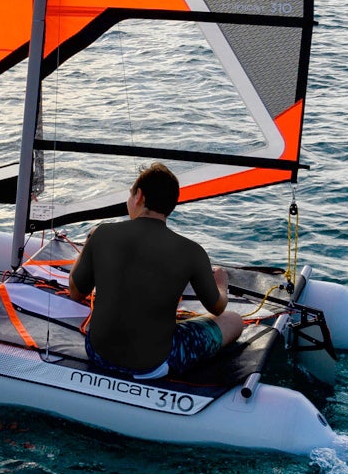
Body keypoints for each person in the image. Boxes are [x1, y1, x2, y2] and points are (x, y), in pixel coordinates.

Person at [67, 161, 247, 381]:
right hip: (152, 365)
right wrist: (221, 283)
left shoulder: (102, 233)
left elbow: (76, 292)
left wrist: (90, 244)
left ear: (139, 196)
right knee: (233, 320)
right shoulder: (192, 251)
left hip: (98, 354)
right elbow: (217, 308)